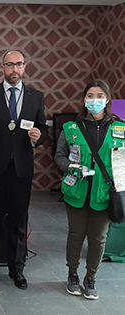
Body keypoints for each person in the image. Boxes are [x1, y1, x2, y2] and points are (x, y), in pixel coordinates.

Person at [0, 51, 48, 290]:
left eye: (19, 64)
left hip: (22, 169)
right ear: (2, 67)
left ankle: (18, 269)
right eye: (10, 65)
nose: (14, 69)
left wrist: (39, 136)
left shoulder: (35, 96)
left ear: (24, 67)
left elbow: (42, 128)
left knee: (19, 221)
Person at [54, 79, 123, 300]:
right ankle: (72, 274)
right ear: (84, 99)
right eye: (90, 96)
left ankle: (91, 277)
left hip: (104, 193)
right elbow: (59, 156)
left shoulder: (120, 128)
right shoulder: (71, 127)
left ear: (108, 100)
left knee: (98, 238)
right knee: (75, 235)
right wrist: (71, 167)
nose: (95, 100)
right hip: (76, 190)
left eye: (100, 96)